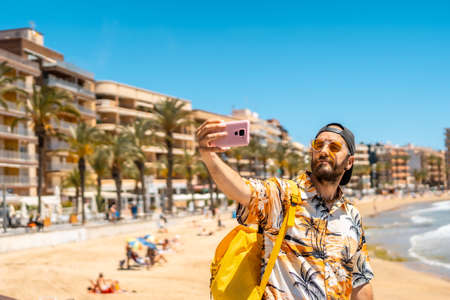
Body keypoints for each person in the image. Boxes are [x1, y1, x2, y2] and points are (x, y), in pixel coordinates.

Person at [196, 120, 374, 300]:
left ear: (349, 162)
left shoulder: (351, 215)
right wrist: (209, 156)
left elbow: (360, 282)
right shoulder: (284, 196)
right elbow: (242, 190)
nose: (324, 151)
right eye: (318, 145)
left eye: (334, 147)